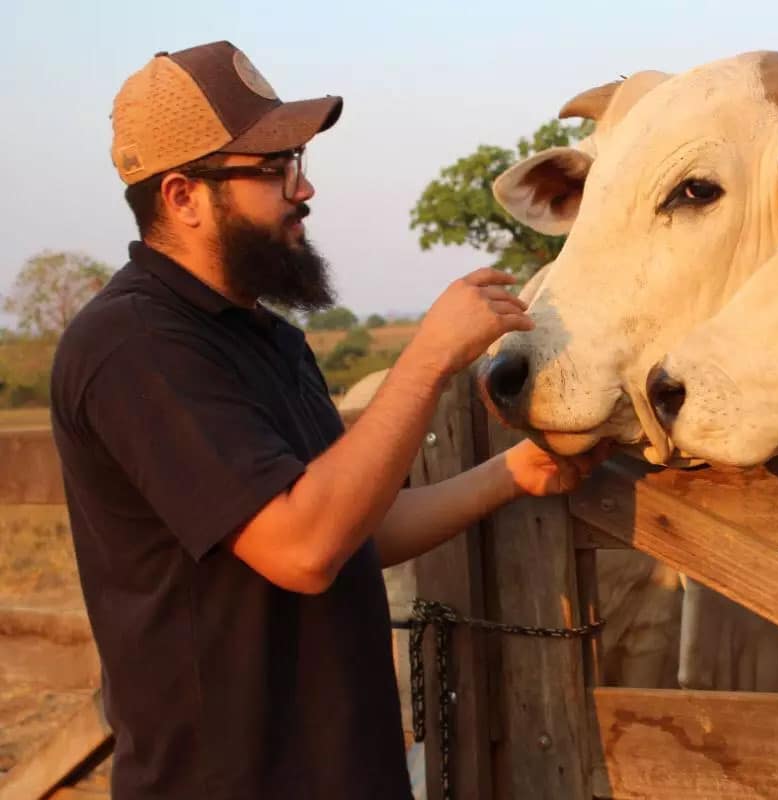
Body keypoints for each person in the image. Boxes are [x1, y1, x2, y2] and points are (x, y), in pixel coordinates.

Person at [50, 40, 604, 800]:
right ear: (182, 197)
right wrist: (428, 358)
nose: (303, 189)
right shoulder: (134, 347)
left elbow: (352, 529)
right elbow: (304, 547)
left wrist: (513, 473)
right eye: (274, 169)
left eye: (299, 161)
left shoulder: (265, 339)